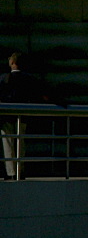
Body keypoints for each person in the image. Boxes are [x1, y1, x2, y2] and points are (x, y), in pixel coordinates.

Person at [0, 52, 47, 180]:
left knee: (8, 143)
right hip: (23, 115)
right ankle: (20, 171)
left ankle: (11, 172)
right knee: (21, 143)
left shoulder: (4, 78)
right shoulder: (29, 79)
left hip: (6, 116)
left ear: (12, 63)